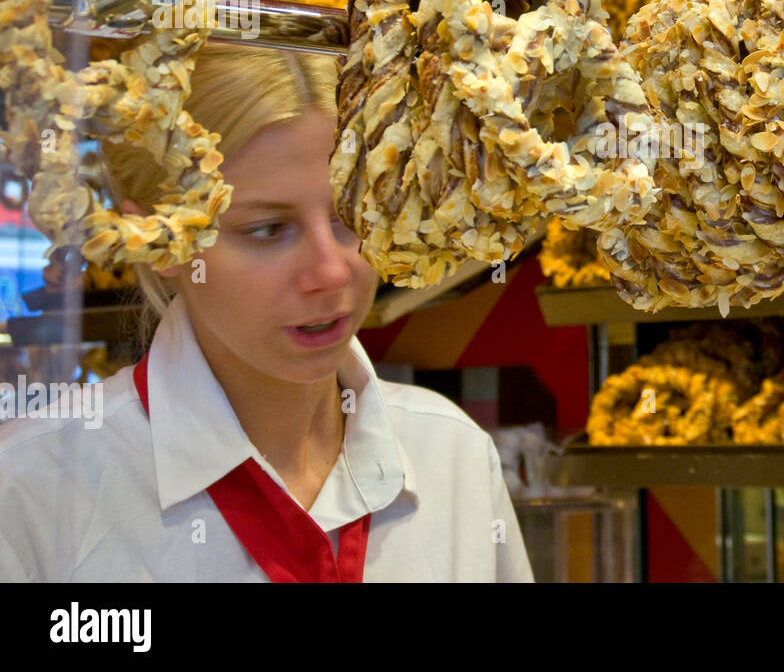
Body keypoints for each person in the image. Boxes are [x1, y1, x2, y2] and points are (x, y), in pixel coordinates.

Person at [0, 45, 533, 582]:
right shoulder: (35, 487)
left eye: (351, 213)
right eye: (267, 230)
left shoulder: (452, 456)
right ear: (159, 241)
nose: (331, 270)